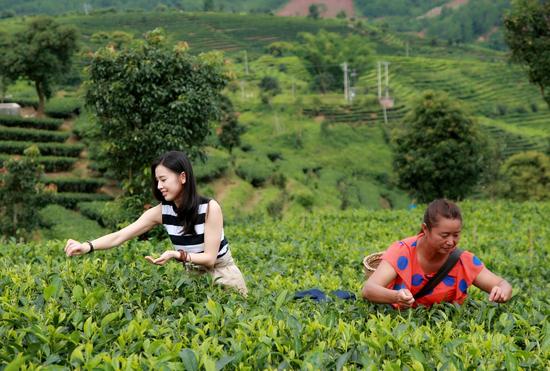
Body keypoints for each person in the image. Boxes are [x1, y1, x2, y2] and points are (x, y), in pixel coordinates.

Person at [64, 151, 248, 296]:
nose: (159, 186)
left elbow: (209, 259)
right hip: (192, 280)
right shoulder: (162, 211)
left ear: (182, 177)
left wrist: (175, 254)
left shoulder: (209, 208)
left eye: (163, 179)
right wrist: (87, 246)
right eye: (157, 180)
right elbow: (121, 235)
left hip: (223, 276)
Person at [362, 199, 512, 308]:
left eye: (456, 235)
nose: (451, 242)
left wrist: (502, 292)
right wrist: (396, 296)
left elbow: (501, 283)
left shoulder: (463, 260)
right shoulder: (403, 251)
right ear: (426, 229)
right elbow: (369, 289)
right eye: (444, 235)